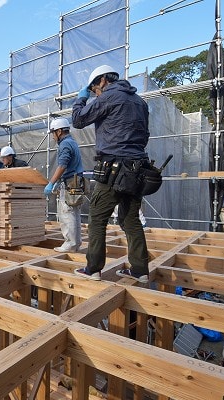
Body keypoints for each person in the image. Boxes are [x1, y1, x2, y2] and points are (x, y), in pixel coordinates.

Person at [71, 64, 150, 283]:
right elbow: (145, 135)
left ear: (103, 80)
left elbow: (78, 120)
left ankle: (93, 268)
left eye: (94, 89)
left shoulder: (108, 98)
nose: (95, 93)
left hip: (114, 167)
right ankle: (140, 271)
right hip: (137, 168)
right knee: (130, 218)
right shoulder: (140, 102)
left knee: (97, 216)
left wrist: (81, 99)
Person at [43, 118, 84, 253]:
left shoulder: (65, 144)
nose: (53, 136)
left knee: (67, 214)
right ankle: (76, 243)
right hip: (77, 181)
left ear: (59, 131)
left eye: (54, 133)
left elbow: (62, 166)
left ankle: (70, 244)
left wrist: (51, 183)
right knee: (75, 213)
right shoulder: (72, 142)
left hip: (70, 182)